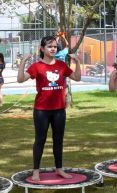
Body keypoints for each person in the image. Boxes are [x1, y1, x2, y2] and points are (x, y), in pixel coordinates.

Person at [17, 34, 82, 181]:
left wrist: (77, 62)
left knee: (58, 140)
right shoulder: (37, 66)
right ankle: (36, 171)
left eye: (54, 46)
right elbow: (20, 79)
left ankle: (59, 169)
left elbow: (77, 78)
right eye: (49, 46)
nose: (53, 49)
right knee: (40, 140)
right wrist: (23, 62)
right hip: (41, 111)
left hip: (59, 110)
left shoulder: (61, 65)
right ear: (42, 48)